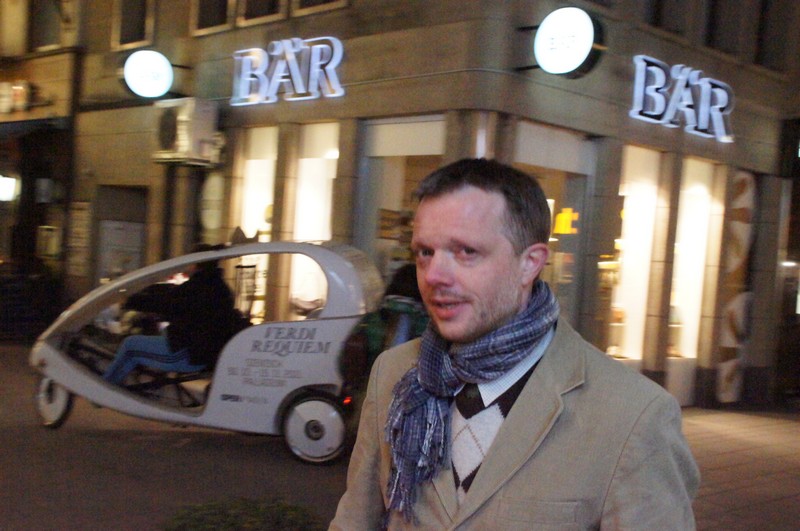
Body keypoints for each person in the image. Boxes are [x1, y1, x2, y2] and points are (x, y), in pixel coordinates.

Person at [330, 158, 700, 529]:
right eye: (425, 252)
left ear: (530, 263)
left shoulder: (634, 417)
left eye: (466, 251)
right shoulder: (393, 374)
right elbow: (355, 519)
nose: (434, 275)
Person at [103, 244, 240, 386]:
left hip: (187, 353)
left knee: (130, 345)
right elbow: (174, 300)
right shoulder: (216, 285)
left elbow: (166, 302)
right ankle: (118, 386)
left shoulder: (200, 287)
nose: (187, 265)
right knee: (140, 345)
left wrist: (129, 300)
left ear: (196, 263)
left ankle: (104, 388)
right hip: (199, 351)